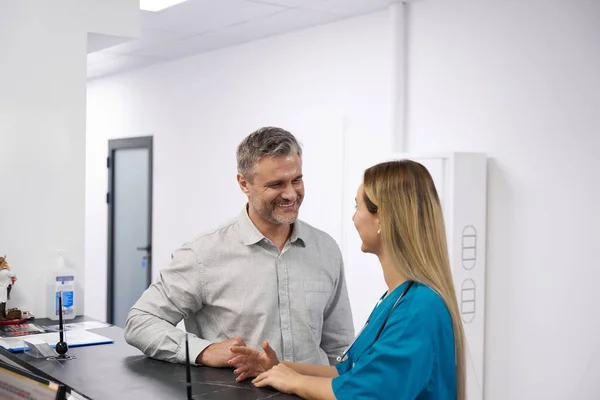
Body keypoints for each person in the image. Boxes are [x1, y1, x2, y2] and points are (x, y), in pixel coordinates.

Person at [229, 160, 466, 400]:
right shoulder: (395, 299)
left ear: (382, 217)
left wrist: (296, 382)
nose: (354, 218)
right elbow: (351, 371)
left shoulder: (418, 309)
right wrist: (280, 368)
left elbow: (369, 392)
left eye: (358, 207)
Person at [124, 126, 354, 368]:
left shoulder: (325, 249)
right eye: (276, 184)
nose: (290, 194)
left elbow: (339, 348)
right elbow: (140, 321)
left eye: (296, 180)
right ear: (244, 183)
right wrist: (204, 351)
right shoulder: (203, 254)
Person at [0, 255, 16, 320]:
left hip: (2, 287)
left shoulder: (1, 271)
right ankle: (1, 316)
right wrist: (7, 267)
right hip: (3, 288)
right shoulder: (5, 272)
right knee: (2, 301)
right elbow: (13, 274)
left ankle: (3, 315)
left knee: (3, 301)